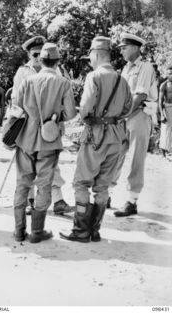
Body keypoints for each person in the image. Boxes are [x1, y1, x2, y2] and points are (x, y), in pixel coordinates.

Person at [59, 36, 132, 243]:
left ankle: (81, 230)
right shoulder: (122, 79)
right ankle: (95, 230)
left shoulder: (94, 76)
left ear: (97, 54)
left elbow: (85, 108)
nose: (89, 60)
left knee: (81, 183)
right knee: (103, 186)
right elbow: (127, 109)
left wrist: (85, 116)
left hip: (96, 135)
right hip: (117, 136)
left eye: (90, 55)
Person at [11, 42, 76, 243]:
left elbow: (16, 107)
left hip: (25, 140)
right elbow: (72, 113)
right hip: (49, 141)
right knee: (44, 186)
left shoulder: (27, 81)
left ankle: (19, 231)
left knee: (22, 185)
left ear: (41, 59)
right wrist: (55, 119)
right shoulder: (63, 83)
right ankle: (37, 232)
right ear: (57, 61)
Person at [113, 33, 158, 217]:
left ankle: (132, 200)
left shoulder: (145, 67)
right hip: (125, 117)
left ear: (136, 48)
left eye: (124, 47)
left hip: (139, 115)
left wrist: (121, 114)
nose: (122, 50)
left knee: (135, 159)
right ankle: (106, 193)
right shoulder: (125, 68)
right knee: (115, 154)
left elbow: (140, 96)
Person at [159, 66, 172, 157]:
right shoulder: (164, 85)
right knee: (165, 129)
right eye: (169, 73)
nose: (171, 75)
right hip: (167, 108)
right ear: (166, 74)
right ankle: (164, 152)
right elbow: (160, 101)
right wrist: (162, 115)